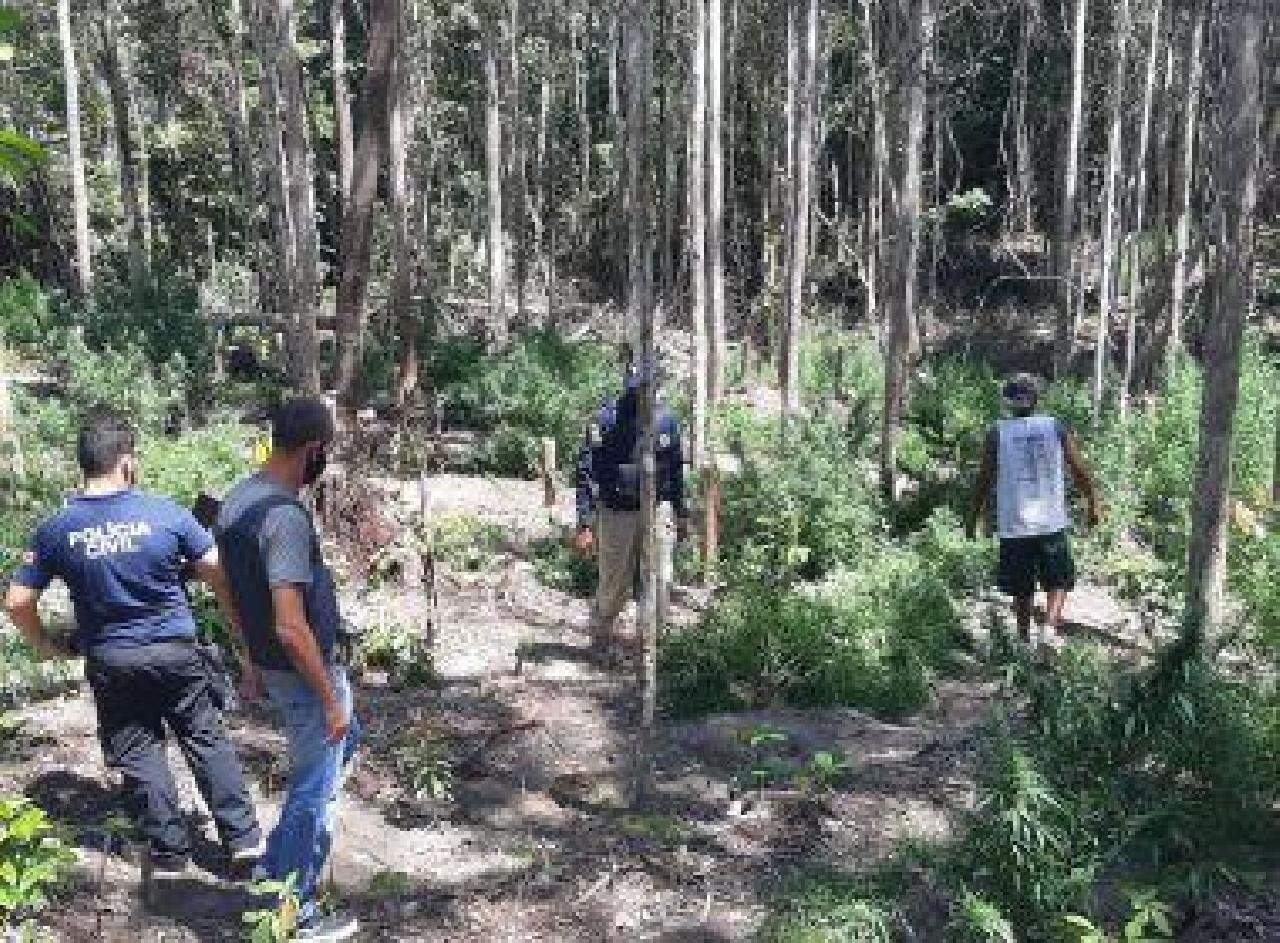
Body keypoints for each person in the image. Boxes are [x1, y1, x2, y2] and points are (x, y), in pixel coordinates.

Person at [3, 408, 262, 876]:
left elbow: (17, 601)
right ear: (126, 462)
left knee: (140, 752)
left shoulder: (57, 530)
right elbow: (220, 574)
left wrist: (44, 644)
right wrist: (242, 642)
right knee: (205, 738)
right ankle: (242, 840)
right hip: (175, 651)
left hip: (111, 659)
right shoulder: (165, 513)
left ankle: (170, 854)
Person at [215, 397, 359, 941]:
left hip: (278, 670)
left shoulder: (237, 500)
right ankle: (290, 912)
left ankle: (273, 867)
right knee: (311, 792)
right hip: (303, 676)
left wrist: (249, 659)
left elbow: (230, 590)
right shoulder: (284, 517)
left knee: (335, 756)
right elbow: (290, 625)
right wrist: (329, 700)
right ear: (313, 451)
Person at [966, 373, 1102, 656]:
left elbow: (984, 478)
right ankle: (1049, 629)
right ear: (1037, 399)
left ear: (1008, 403)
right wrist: (1093, 502)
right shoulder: (1054, 427)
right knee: (1059, 578)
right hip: (1050, 520)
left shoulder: (998, 433)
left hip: (1015, 522)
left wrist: (973, 515)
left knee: (1021, 585)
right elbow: (1078, 468)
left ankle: (1025, 638)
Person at [575, 359, 689, 664]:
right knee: (615, 582)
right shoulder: (606, 421)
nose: (646, 392)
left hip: (657, 510)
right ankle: (601, 636)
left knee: (661, 578)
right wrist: (584, 523)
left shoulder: (666, 422)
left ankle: (649, 644)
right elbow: (586, 472)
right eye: (641, 386)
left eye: (651, 385)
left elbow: (676, 470)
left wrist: (681, 512)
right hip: (616, 512)